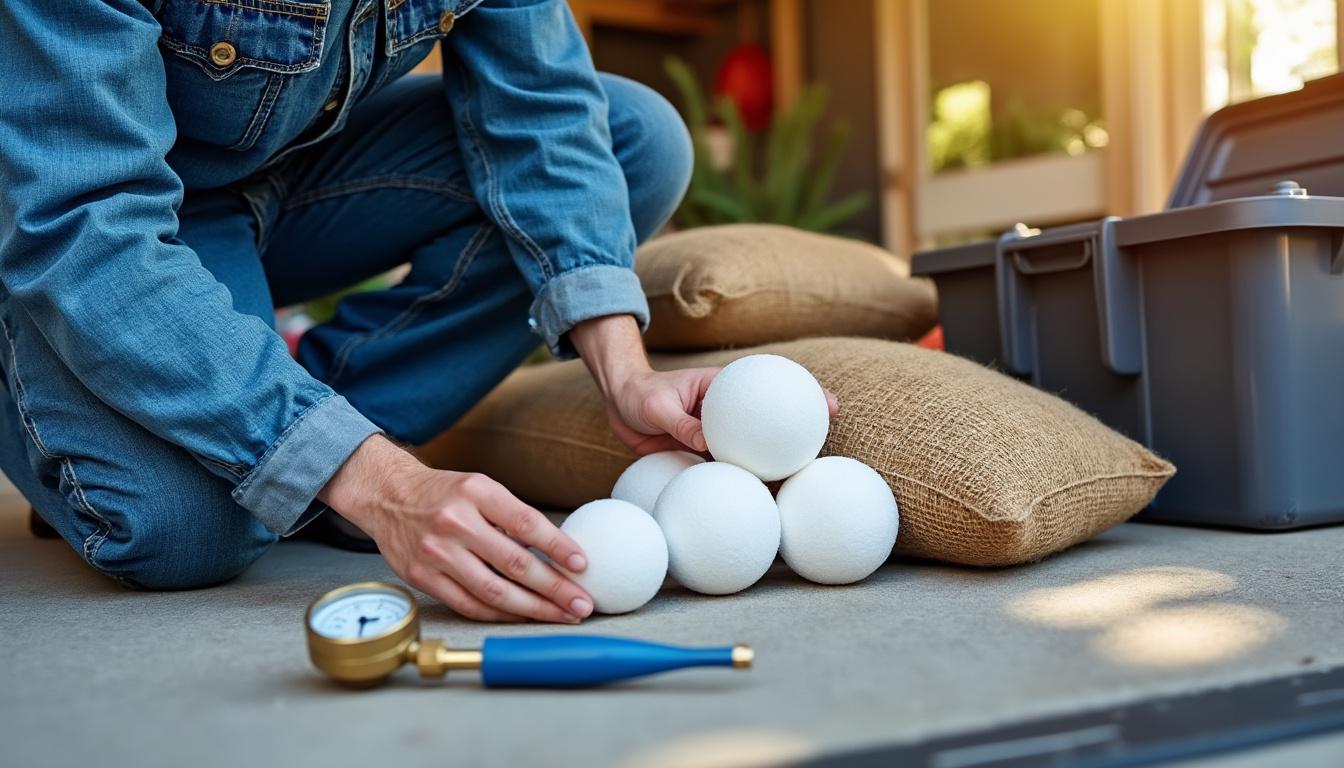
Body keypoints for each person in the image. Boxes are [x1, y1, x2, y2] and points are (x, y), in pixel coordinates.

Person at [0, 0, 751, 625]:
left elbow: (541, 105)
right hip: (85, 209)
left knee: (633, 142)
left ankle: (296, 426)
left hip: (274, 175)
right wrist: (382, 484)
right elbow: (87, 220)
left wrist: (625, 372)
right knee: (190, 533)